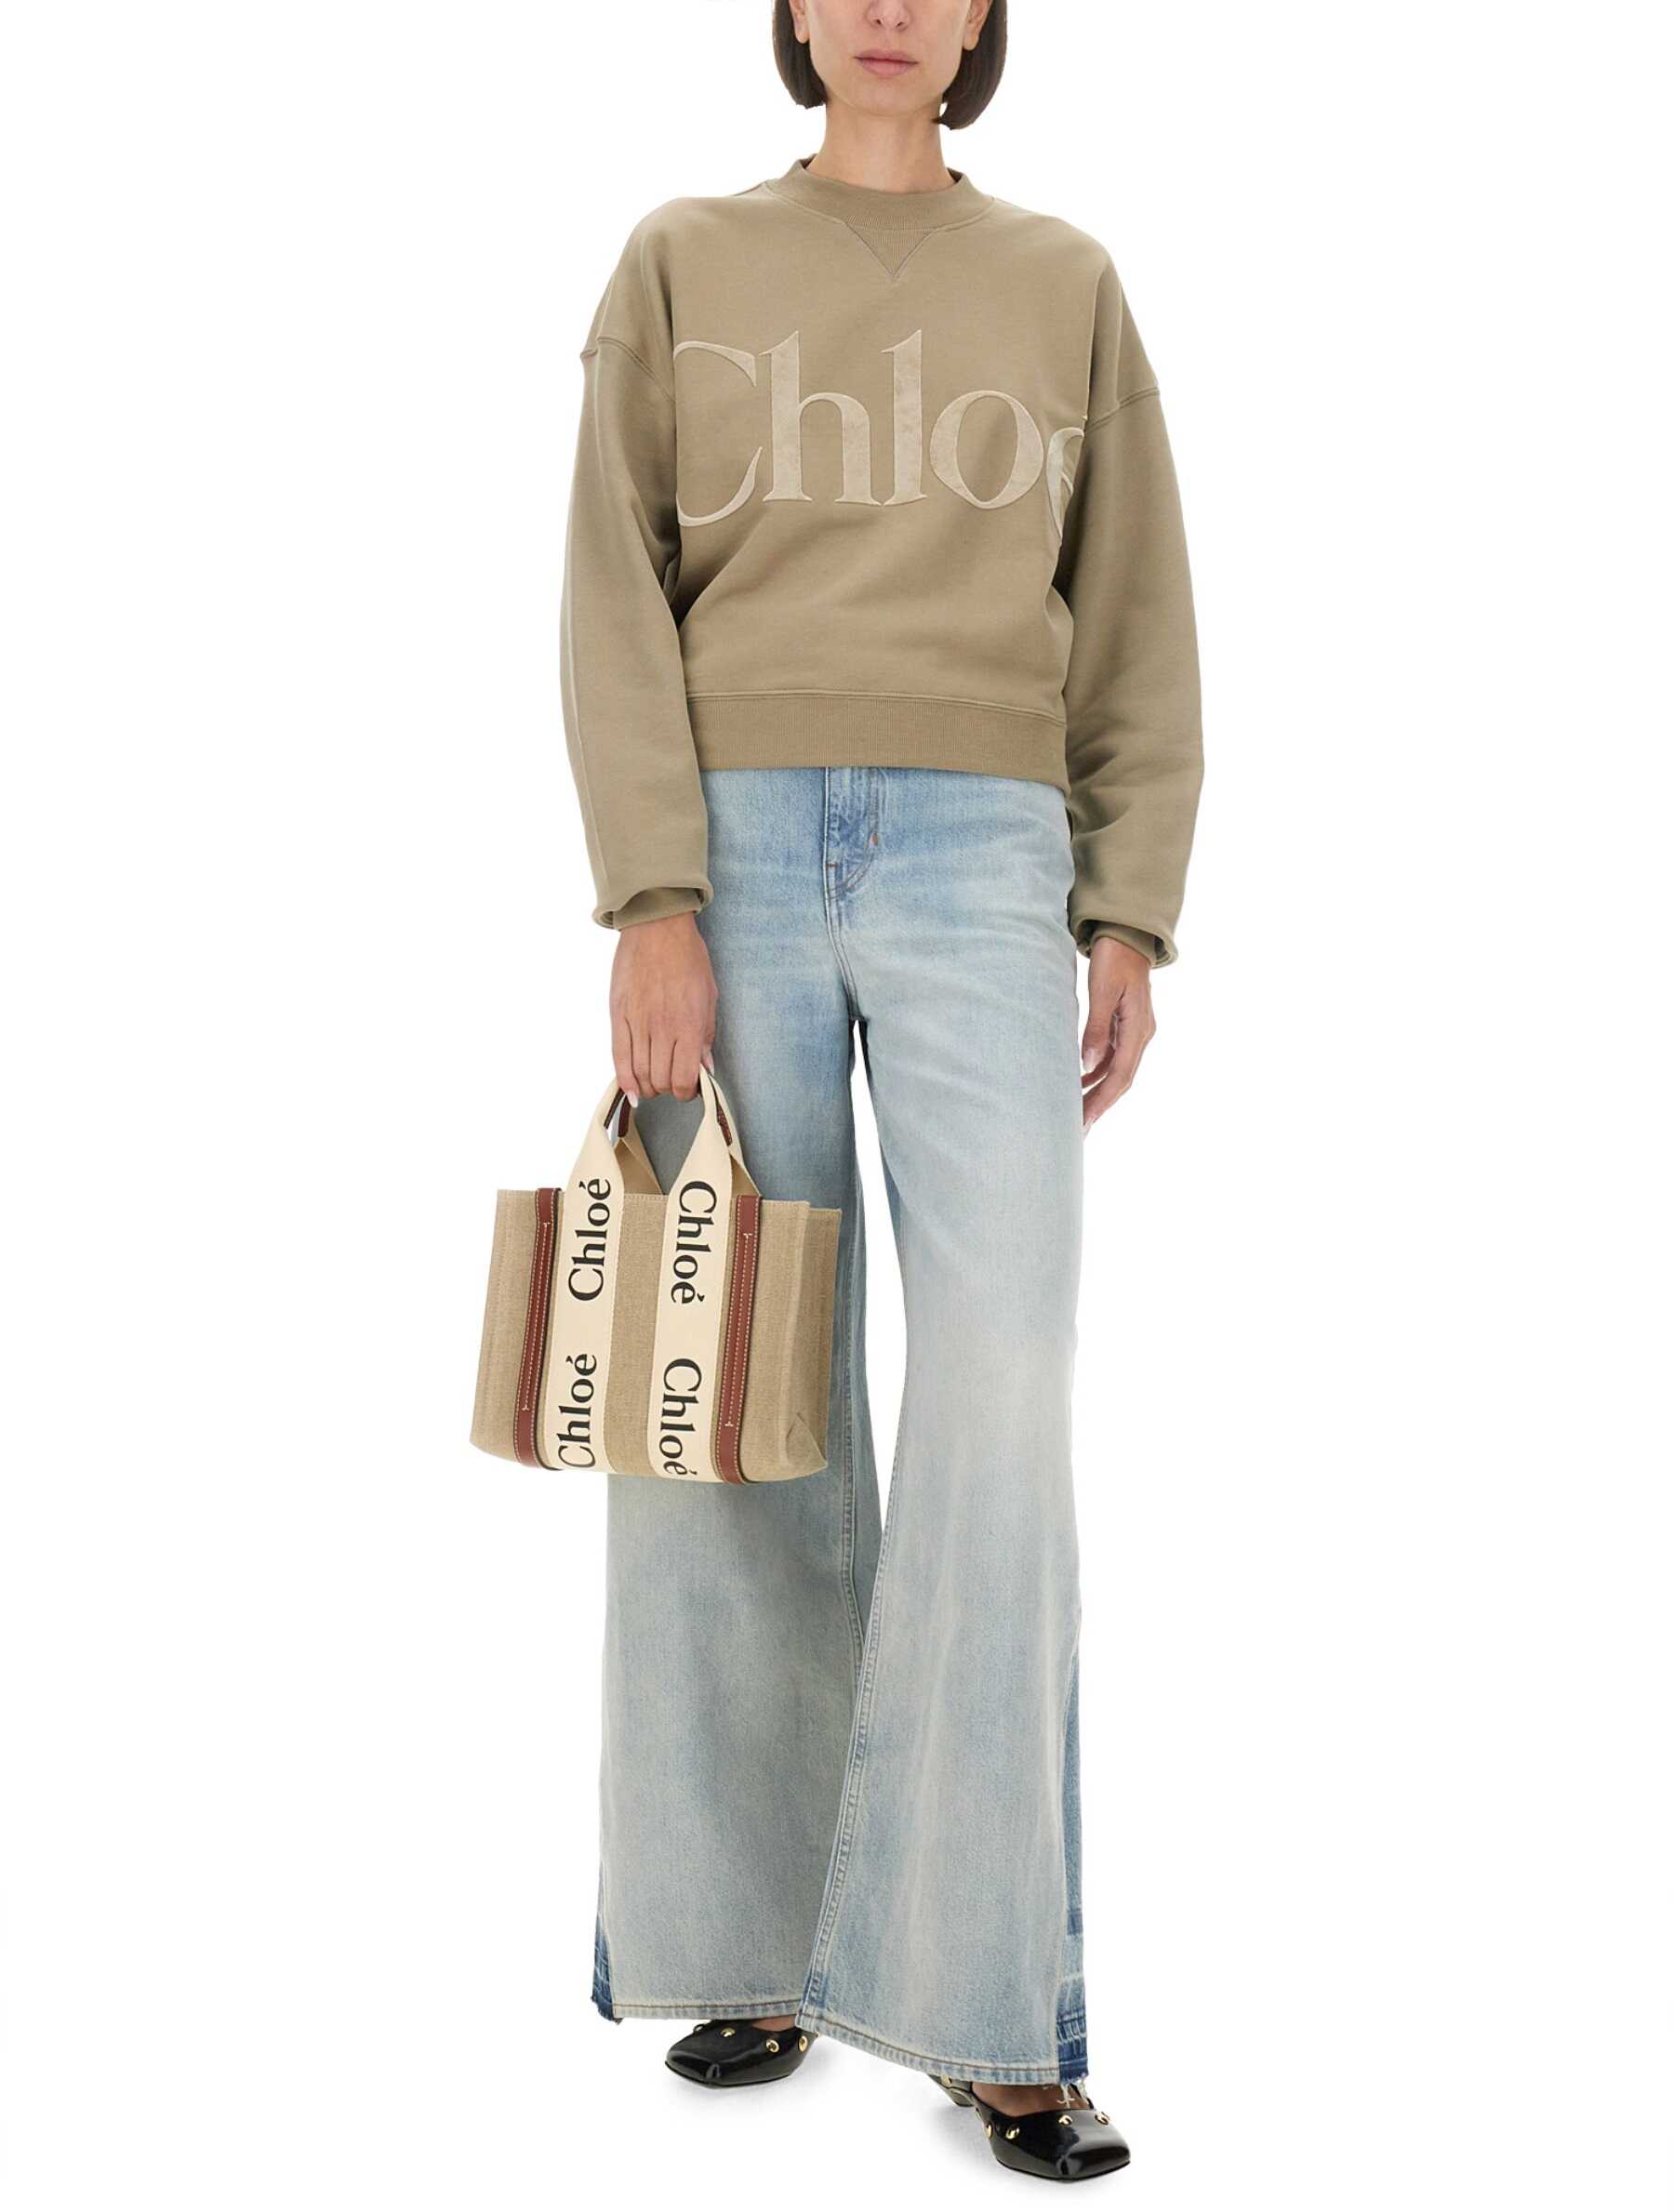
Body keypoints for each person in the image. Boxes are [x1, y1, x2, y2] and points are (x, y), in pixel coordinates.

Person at [556, 0, 1201, 2182]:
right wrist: (652, 894)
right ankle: (756, 1938)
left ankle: (989, 1994)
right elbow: (613, 598)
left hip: (985, 853)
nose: (895, 5)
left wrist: (1128, 906)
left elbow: (1135, 616)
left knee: (1000, 1397)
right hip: (729, 853)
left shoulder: (1065, 283)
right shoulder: (679, 258)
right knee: (741, 1389)